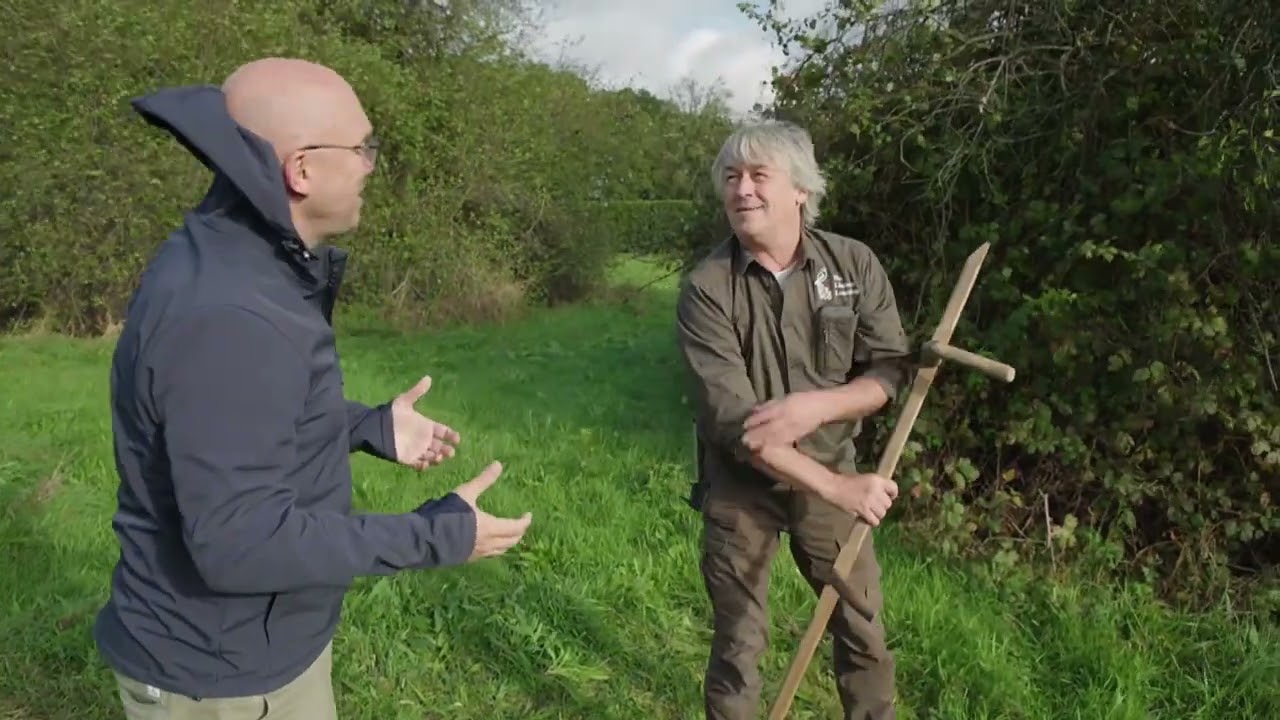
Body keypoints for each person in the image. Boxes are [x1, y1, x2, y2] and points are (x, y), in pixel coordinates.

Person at [94, 57, 533, 719]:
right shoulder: (231, 313)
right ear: (301, 169)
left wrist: (364, 426)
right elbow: (241, 544)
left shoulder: (245, 263)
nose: (371, 165)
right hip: (223, 678)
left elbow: (243, 421)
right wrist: (435, 535)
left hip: (253, 652)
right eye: (363, 148)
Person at [675, 119, 913, 720]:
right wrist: (840, 488)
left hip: (832, 471)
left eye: (759, 175)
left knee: (861, 633)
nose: (742, 190)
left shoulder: (852, 264)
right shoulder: (707, 288)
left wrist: (819, 405)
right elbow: (736, 423)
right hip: (741, 489)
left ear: (801, 189)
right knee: (739, 646)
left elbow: (887, 373)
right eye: (731, 177)